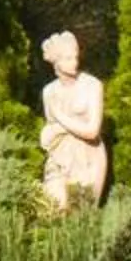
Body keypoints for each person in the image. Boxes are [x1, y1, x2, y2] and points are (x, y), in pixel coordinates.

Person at [39, 30, 107, 212]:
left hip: (87, 157)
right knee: (54, 210)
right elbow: (51, 128)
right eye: (68, 59)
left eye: (75, 57)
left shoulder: (92, 86)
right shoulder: (49, 92)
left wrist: (61, 118)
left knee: (81, 216)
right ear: (56, 63)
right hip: (60, 157)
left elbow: (92, 131)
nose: (74, 62)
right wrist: (49, 133)